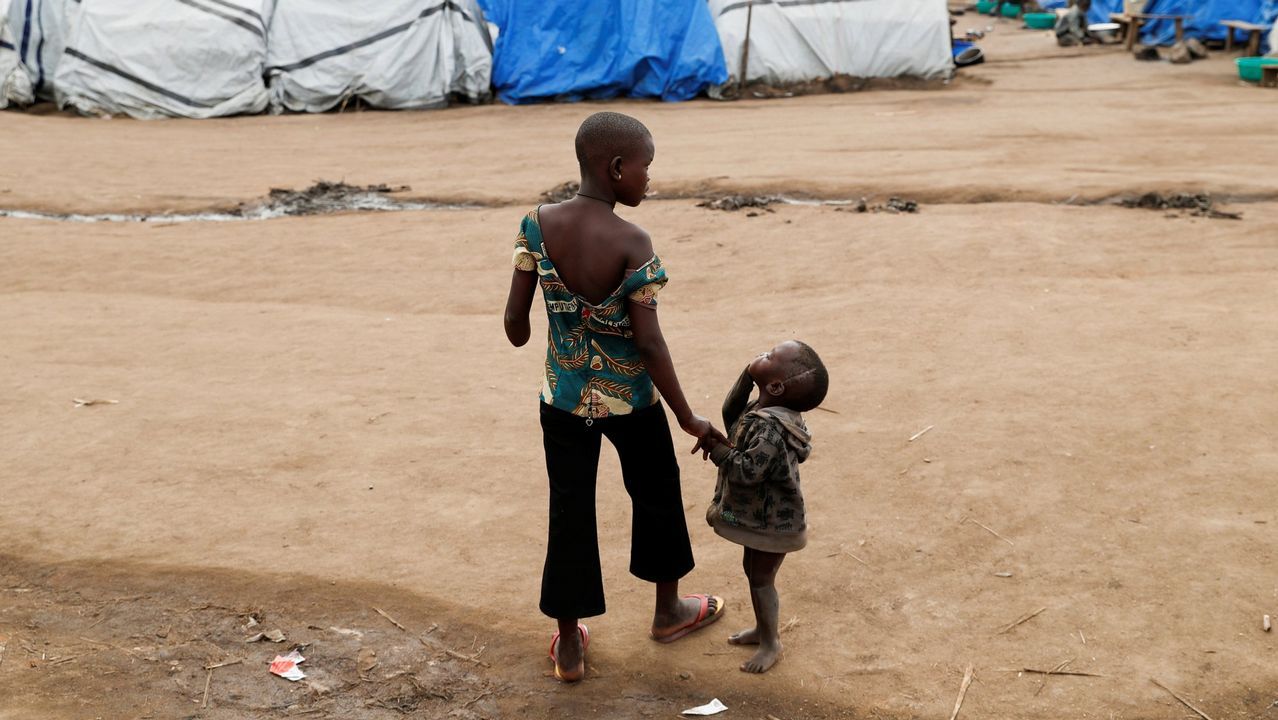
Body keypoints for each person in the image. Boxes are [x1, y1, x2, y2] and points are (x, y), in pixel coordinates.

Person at [503, 111, 729, 683]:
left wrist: (546, 326)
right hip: (631, 400)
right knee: (655, 493)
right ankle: (668, 611)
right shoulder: (632, 240)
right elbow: (649, 343)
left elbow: (514, 323)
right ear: (617, 167)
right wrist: (688, 417)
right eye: (646, 168)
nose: (649, 179)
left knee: (569, 507)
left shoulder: (536, 223)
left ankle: (570, 646)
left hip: (562, 398)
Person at [705, 340, 828, 673]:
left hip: (776, 523)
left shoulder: (771, 430)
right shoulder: (762, 411)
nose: (762, 353)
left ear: (775, 386)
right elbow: (730, 413)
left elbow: (746, 471)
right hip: (761, 517)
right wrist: (747, 376)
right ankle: (763, 629)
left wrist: (716, 448)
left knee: (761, 578)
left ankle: (772, 642)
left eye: (770, 356)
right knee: (753, 571)